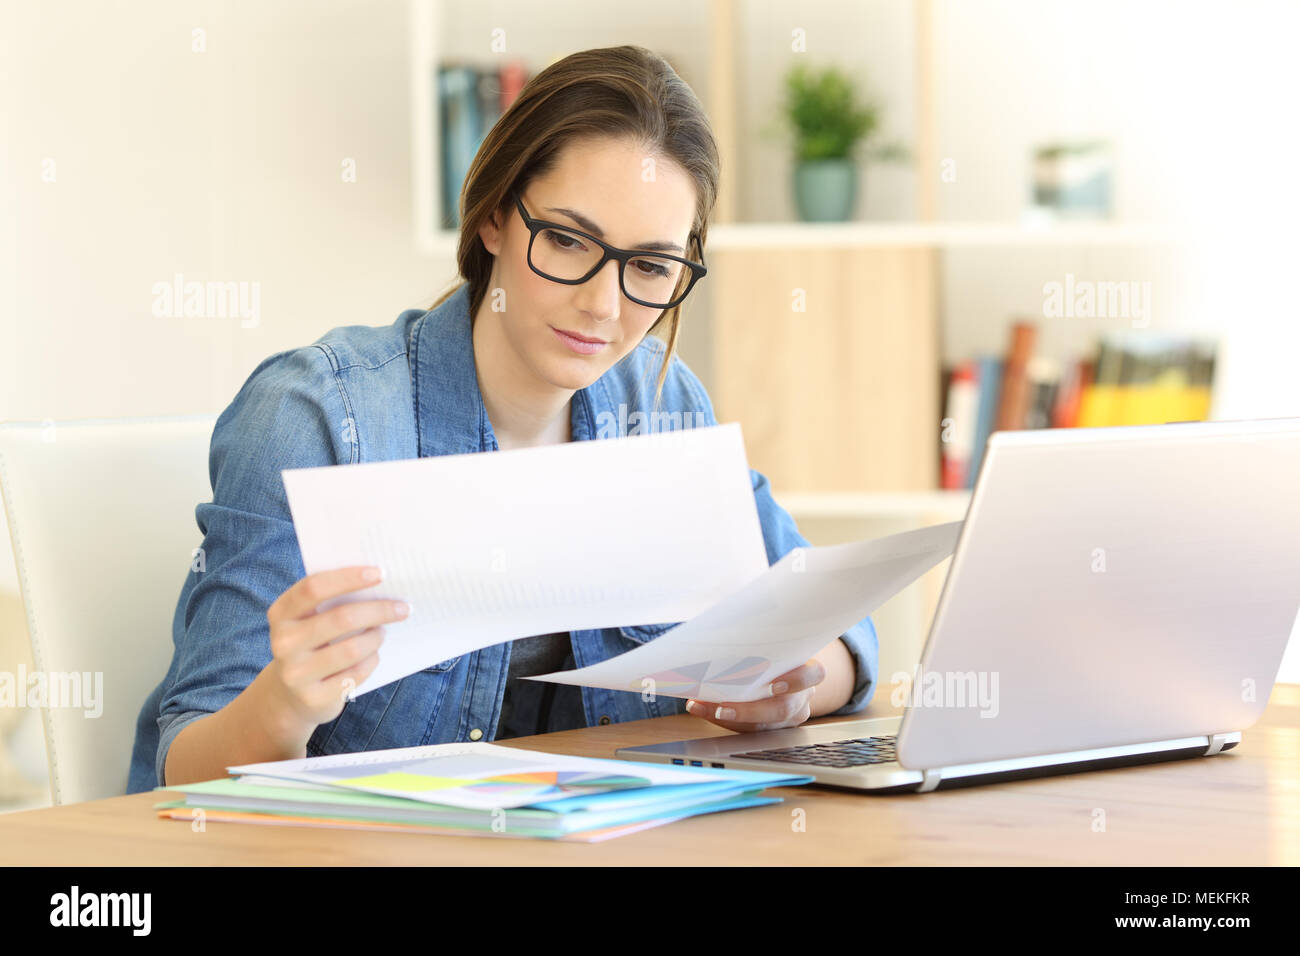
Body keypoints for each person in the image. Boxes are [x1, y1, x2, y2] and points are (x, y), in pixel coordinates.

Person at [127, 44, 878, 793]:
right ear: (492, 216)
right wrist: (284, 706)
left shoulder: (662, 406)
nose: (604, 307)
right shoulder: (321, 417)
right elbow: (184, 771)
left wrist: (795, 685)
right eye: (567, 240)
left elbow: (837, 625)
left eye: (651, 267)